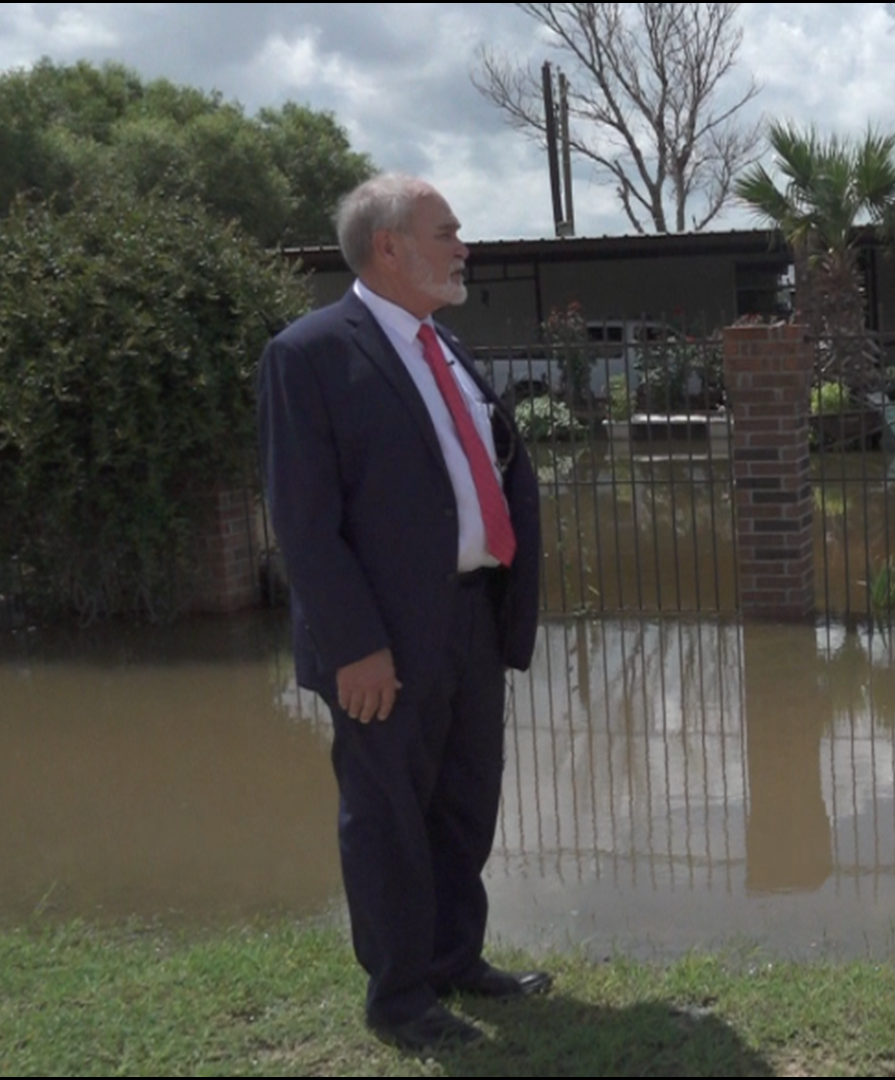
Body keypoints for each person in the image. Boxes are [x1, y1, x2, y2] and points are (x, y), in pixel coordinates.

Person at [258, 173, 548, 1052]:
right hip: (382, 642)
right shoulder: (309, 355)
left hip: (468, 618)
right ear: (390, 247)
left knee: (464, 803)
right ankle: (398, 998)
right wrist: (355, 648)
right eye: (448, 230)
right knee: (387, 817)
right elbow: (302, 524)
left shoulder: (443, 346)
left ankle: (457, 959)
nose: (465, 247)